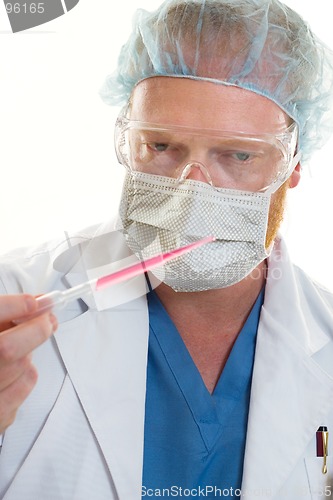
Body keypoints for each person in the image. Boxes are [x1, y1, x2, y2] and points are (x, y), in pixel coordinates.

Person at [1, 0, 333, 498]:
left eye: (238, 154)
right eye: (160, 146)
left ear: (294, 164)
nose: (189, 191)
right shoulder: (16, 301)